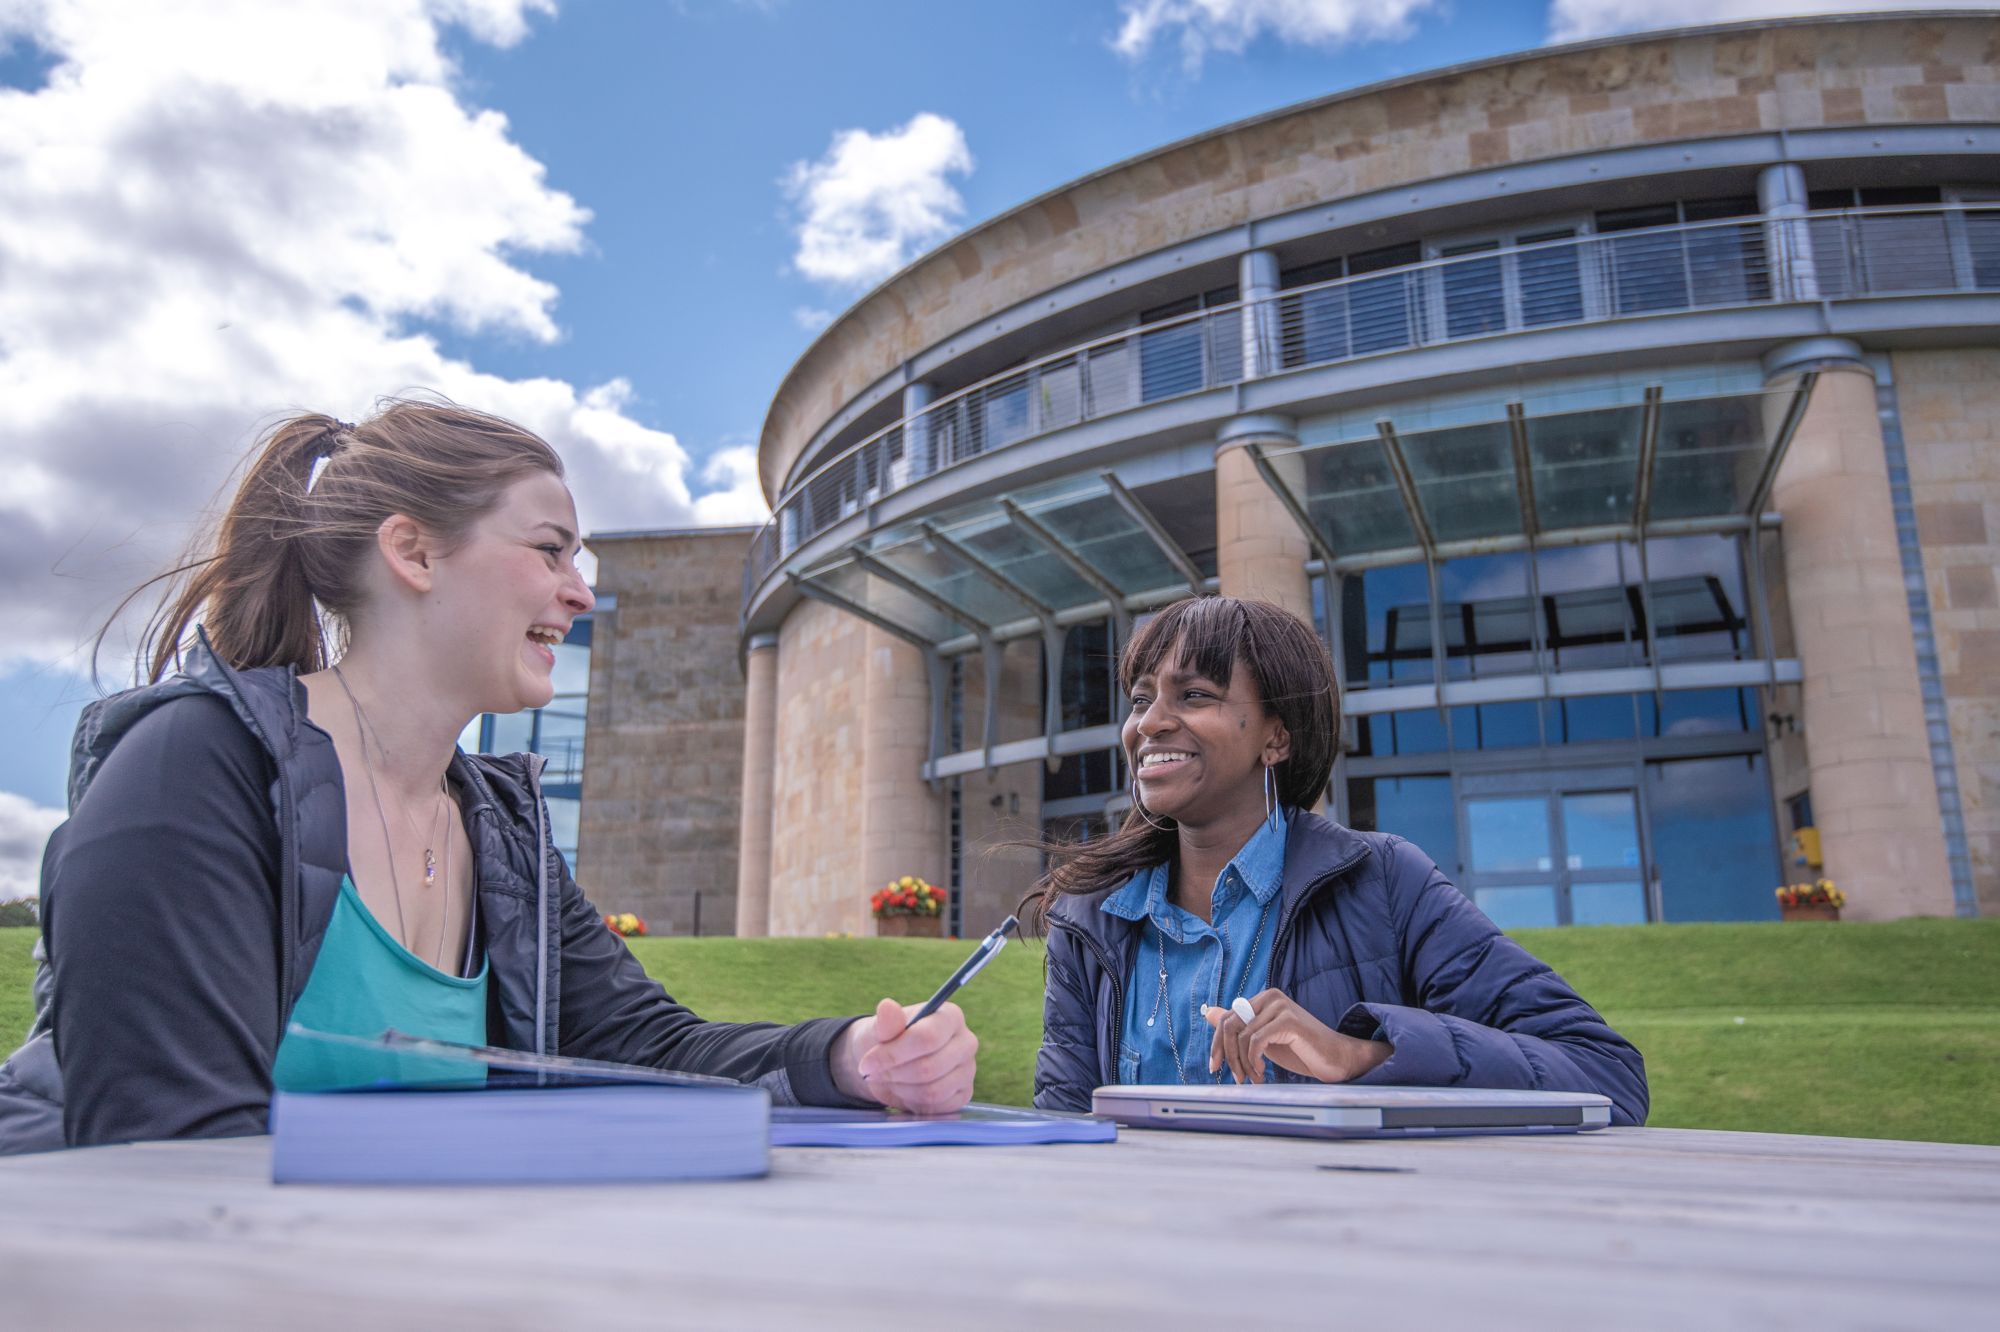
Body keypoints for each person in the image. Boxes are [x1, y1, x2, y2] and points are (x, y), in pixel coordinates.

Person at [0, 401, 977, 1154]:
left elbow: (645, 1048)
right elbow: (172, 1149)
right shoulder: (194, 770)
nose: (581, 592)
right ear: (413, 551)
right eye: (549, 549)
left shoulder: (499, 830)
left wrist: (851, 1056)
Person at [1029, 595, 1646, 1123]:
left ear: (1277, 737)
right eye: (1139, 700)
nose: (1151, 723)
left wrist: (1364, 1057)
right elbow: (1062, 1144)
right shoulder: (1090, 920)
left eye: (1193, 694)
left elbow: (1609, 1077)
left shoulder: (1383, 883)